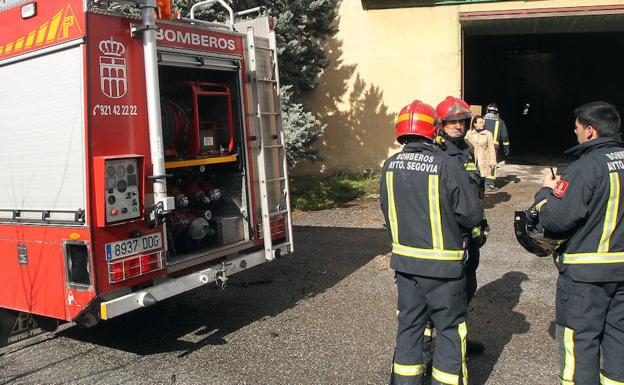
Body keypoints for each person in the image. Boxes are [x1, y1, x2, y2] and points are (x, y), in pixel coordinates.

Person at [381, 100, 483, 385]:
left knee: (410, 327)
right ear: (434, 129)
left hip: (406, 267)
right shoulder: (445, 165)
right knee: (450, 330)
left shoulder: (389, 166)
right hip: (444, 270)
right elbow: (471, 213)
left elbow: (388, 211)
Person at [532, 101, 624, 385]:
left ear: (590, 131)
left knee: (580, 346)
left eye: (577, 129)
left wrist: (545, 193)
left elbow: (557, 220)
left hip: (585, 278)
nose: (576, 133)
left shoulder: (584, 169)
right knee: (618, 342)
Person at [435, 96, 489, 355]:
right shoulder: (438, 152)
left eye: (461, 121)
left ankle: (461, 341)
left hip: (472, 231)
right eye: (451, 121)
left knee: (468, 287)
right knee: (449, 295)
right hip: (452, 235)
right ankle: (442, 347)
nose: (457, 126)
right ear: (441, 124)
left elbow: (476, 188)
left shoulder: (466, 149)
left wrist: (482, 221)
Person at [466, 115, 498, 192]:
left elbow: (491, 148)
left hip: (483, 161)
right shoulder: (469, 133)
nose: (482, 124)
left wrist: (493, 160)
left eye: (483, 122)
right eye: (480, 122)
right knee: (471, 180)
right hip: (472, 161)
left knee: (481, 182)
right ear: (475, 124)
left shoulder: (488, 134)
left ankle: (480, 199)